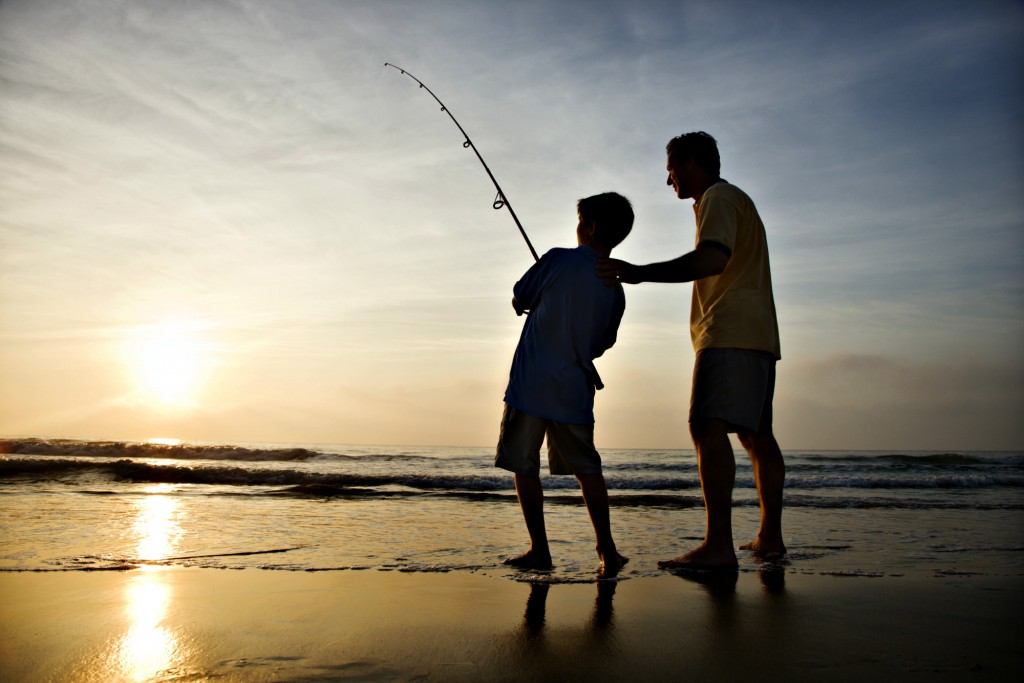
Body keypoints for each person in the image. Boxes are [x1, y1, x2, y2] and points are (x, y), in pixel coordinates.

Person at [597, 132, 785, 570]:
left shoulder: (718, 197)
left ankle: (718, 545)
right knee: (756, 436)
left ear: (694, 162)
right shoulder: (738, 200)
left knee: (705, 425)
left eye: (671, 169)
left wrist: (640, 273)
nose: (669, 181)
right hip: (759, 335)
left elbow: (711, 260)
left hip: (728, 331)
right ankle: (770, 538)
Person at [496, 192, 633, 575]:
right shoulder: (616, 288)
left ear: (588, 227)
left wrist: (525, 303)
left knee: (525, 466)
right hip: (574, 390)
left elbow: (520, 296)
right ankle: (607, 549)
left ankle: (540, 550)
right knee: (588, 468)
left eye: (579, 222)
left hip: (529, 386)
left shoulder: (557, 259)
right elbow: (603, 343)